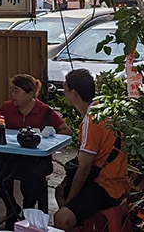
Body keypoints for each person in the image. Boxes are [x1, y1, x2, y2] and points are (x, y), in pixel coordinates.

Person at [54, 69, 129, 232]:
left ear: (74, 93)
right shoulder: (103, 109)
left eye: (65, 89)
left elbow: (84, 169)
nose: (63, 92)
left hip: (106, 186)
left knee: (61, 218)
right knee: (60, 190)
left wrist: (69, 203)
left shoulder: (91, 120)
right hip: (117, 181)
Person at [0, 74, 72, 216]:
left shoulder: (45, 111)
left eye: (17, 91)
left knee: (32, 175)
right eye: (13, 90)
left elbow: (66, 131)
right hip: (11, 156)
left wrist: (46, 137)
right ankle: (11, 206)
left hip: (36, 160)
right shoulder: (6, 108)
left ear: (30, 94)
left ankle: (28, 208)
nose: (13, 94)